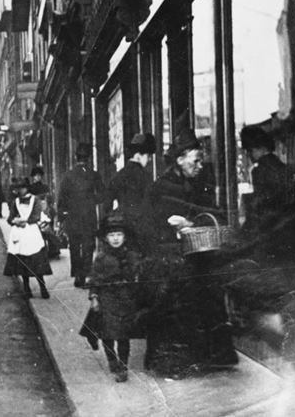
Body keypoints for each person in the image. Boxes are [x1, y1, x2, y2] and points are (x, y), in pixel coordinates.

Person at [141, 131, 237, 376]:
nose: (199, 165)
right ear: (180, 159)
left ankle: (208, 357)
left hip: (199, 255)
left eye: (201, 161)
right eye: (195, 161)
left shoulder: (200, 182)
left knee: (203, 303)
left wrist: (192, 223)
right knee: (175, 308)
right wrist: (170, 229)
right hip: (171, 260)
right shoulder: (160, 187)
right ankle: (172, 363)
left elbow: (212, 213)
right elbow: (147, 225)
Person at [87, 214, 144, 383]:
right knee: (108, 333)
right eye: (112, 235)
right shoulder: (101, 257)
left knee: (123, 334)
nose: (116, 239)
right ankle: (112, 360)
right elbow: (94, 278)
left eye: (119, 235)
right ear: (106, 238)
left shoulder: (131, 255)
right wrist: (94, 298)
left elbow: (138, 275)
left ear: (125, 237)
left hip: (126, 298)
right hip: (107, 297)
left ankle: (123, 366)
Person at [57, 143, 103, 287]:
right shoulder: (94, 175)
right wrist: (91, 200)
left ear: (75, 157)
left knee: (75, 246)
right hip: (89, 215)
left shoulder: (67, 176)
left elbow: (61, 198)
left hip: (72, 217)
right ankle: (86, 274)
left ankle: (78, 275)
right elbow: (102, 195)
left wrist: (61, 218)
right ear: (89, 158)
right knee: (88, 245)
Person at [240, 125, 295, 233]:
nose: (249, 155)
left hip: (269, 229)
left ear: (259, 148)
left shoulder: (259, 170)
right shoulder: (283, 167)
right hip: (287, 227)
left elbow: (261, 207)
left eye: (250, 150)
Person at [103, 133, 156, 249]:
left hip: (123, 227)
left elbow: (106, 204)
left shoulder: (118, 176)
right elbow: (151, 204)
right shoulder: (146, 177)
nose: (149, 159)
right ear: (138, 155)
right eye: (148, 156)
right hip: (143, 228)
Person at [2, 178, 52, 299]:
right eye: (19, 189)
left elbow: (36, 216)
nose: (21, 191)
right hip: (20, 234)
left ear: (27, 188)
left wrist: (25, 221)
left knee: (36, 261)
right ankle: (26, 288)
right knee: (22, 262)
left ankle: (42, 287)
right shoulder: (16, 202)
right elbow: (10, 217)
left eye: (22, 188)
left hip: (31, 233)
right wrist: (14, 221)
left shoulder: (35, 200)